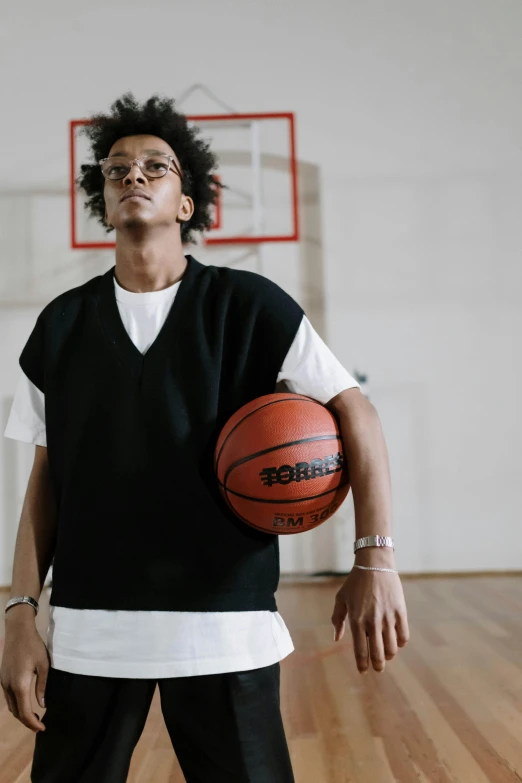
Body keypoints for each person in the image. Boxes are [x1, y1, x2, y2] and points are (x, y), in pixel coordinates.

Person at [1, 92, 409, 783]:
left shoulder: (250, 306)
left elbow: (356, 411)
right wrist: (18, 612)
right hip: (90, 632)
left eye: (155, 167)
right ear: (102, 199)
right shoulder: (60, 326)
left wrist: (375, 557)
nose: (133, 175)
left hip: (223, 627)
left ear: (187, 203)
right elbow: (47, 481)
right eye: (117, 168)